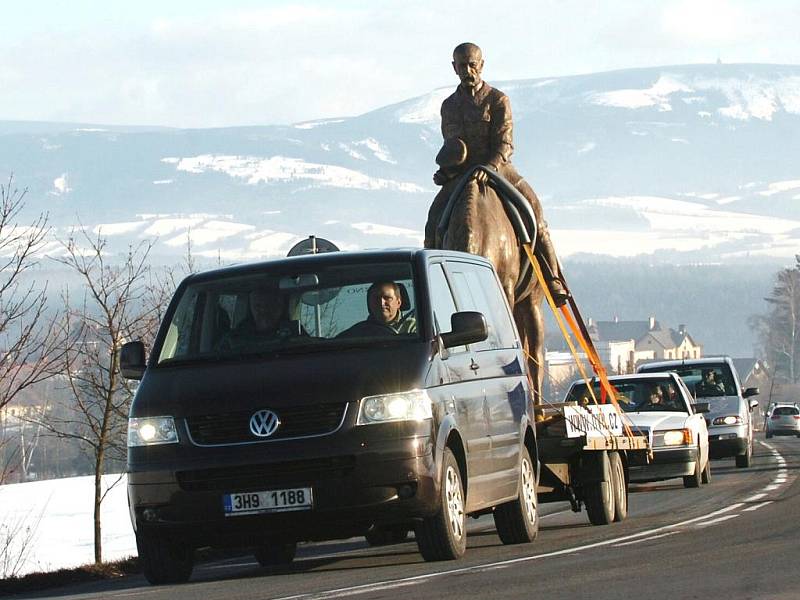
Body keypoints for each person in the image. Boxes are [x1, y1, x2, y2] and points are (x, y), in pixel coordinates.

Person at [424, 41, 569, 306]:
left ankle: (552, 277)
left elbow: (505, 143)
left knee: (535, 213)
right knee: (434, 218)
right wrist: (447, 171)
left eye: (472, 64)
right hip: (463, 175)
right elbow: (453, 145)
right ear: (453, 67)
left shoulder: (498, 99)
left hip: (499, 169)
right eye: (462, 65)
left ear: (481, 65)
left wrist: (490, 167)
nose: (468, 70)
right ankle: (430, 279)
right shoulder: (449, 106)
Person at [217, 289, 301, 351]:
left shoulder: (296, 336)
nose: (264, 310)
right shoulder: (233, 341)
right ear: (251, 308)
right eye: (258, 306)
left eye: (270, 305)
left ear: (281, 307)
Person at [338, 281, 416, 337]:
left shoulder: (414, 329)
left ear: (398, 302)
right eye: (376, 298)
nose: (381, 303)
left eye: (387, 298)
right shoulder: (356, 333)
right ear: (369, 303)